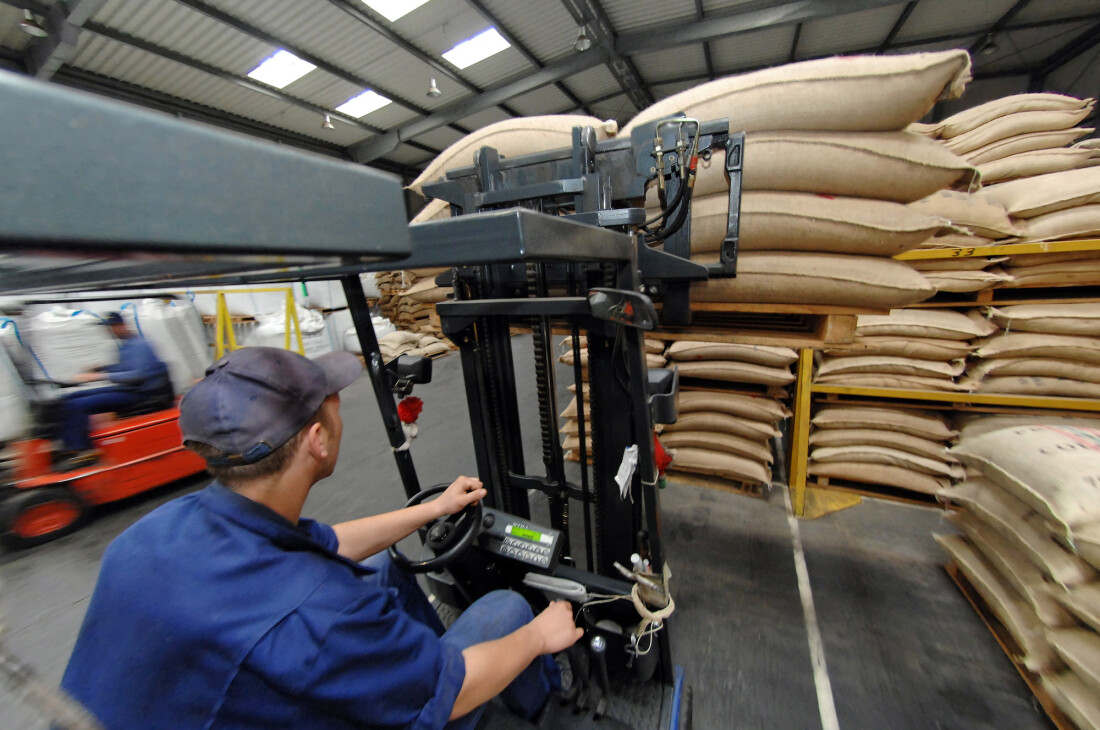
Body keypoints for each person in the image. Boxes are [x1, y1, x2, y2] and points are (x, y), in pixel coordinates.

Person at [60, 346, 583, 729]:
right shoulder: (320, 616)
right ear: (316, 440)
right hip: (336, 687)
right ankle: (539, 712)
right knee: (506, 610)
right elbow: (448, 689)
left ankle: (418, 660)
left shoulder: (153, 533)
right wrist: (541, 635)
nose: (337, 406)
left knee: (385, 567)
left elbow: (325, 542)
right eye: (330, 400)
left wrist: (435, 508)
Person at [54, 312, 172, 469]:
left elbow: (137, 375)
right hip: (128, 389)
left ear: (121, 325)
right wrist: (103, 367)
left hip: (140, 393)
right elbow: (125, 369)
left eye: (111, 327)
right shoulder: (127, 344)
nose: (109, 331)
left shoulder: (139, 345)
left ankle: (83, 449)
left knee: (78, 405)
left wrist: (98, 376)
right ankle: (68, 444)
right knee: (70, 398)